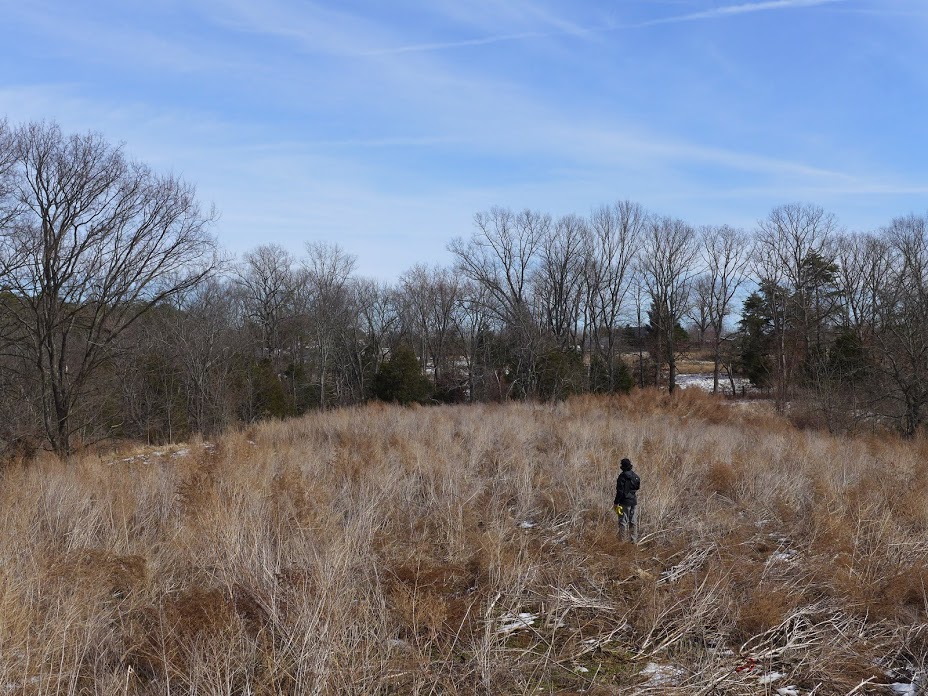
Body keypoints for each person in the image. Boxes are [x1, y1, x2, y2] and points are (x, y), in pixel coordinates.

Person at [614, 457, 640, 543]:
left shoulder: (622, 477)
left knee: (623, 522)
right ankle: (633, 541)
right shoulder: (635, 476)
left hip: (624, 502)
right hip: (634, 502)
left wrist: (616, 502)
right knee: (633, 521)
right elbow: (637, 487)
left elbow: (620, 491)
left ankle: (622, 542)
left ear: (622, 467)